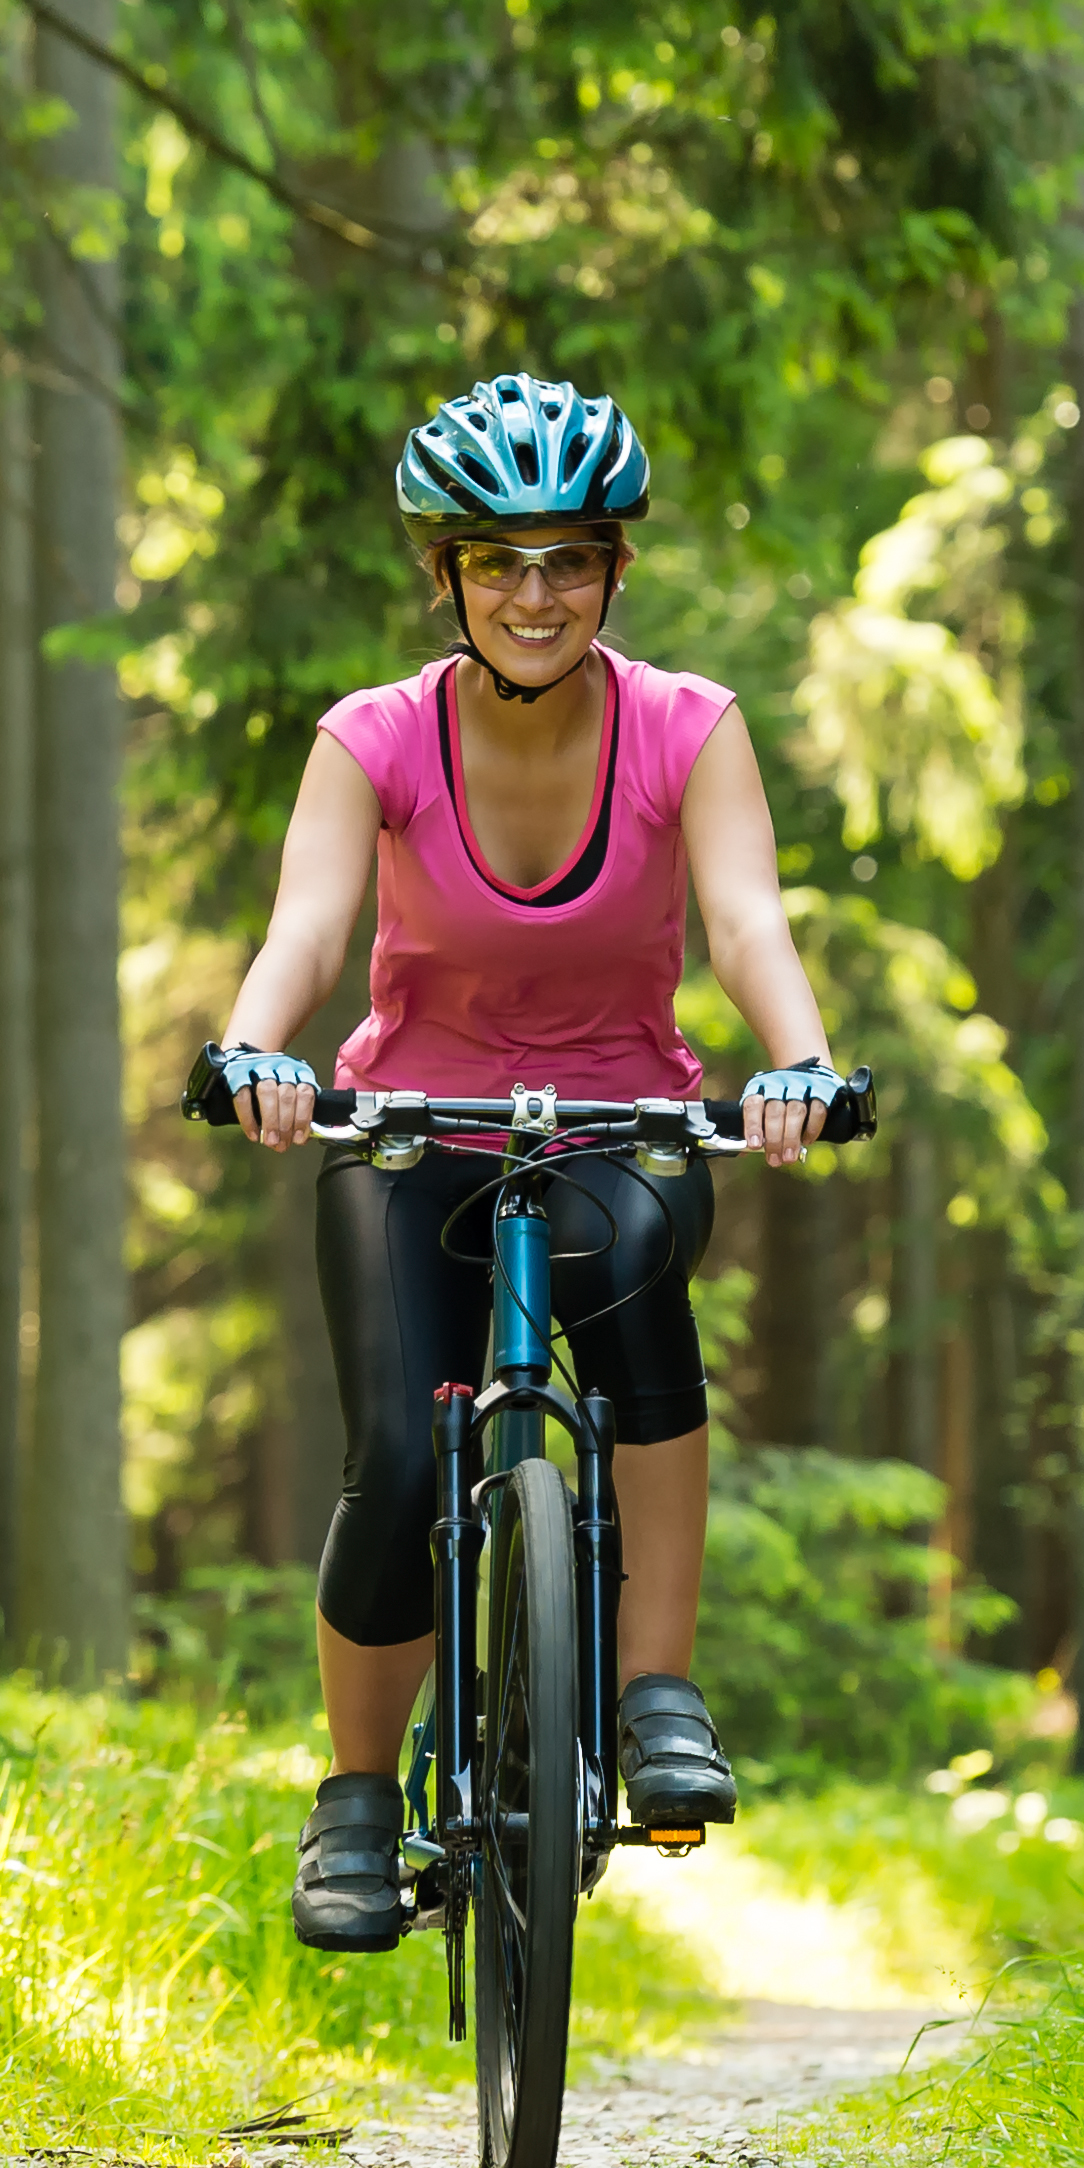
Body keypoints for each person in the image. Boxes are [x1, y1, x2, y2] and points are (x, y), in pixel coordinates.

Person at [198, 371, 850, 1954]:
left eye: (569, 557)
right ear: (450, 577)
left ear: (615, 568)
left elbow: (752, 916)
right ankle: (356, 1798)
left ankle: (657, 1691)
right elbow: (306, 927)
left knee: (636, 1304)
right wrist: (256, 1050)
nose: (536, 593)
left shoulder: (689, 730)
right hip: (409, 1134)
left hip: (621, 1122)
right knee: (408, 1459)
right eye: (500, 561)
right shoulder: (373, 739)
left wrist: (804, 1061)